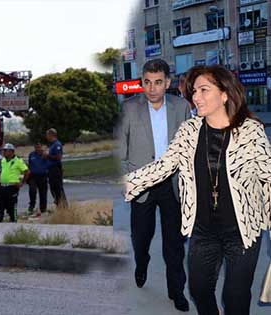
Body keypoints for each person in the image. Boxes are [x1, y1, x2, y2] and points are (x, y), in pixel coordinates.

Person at [124, 65, 271, 315]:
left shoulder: (250, 131)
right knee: (200, 290)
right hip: (203, 231)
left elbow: (268, 179)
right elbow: (164, 166)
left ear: (224, 94)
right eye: (194, 91)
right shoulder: (189, 131)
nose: (196, 96)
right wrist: (126, 183)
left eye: (204, 90)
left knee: (235, 298)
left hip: (242, 231)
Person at [116, 58, 191, 312]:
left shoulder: (181, 107)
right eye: (147, 82)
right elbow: (121, 149)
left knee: (174, 244)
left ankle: (176, 291)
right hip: (142, 185)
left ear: (167, 83)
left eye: (158, 82)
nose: (152, 88)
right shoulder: (129, 108)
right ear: (142, 83)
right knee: (141, 237)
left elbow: (189, 148)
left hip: (172, 185)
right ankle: (142, 262)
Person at [0, 143, 29, 222]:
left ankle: (13, 221)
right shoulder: (3, 160)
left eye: (5, 151)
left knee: (12, 207)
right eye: (3, 151)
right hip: (2, 186)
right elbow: (1, 171)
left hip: (12, 187)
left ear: (11, 152)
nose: (3, 152)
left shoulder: (18, 161)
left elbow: (27, 172)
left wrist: (22, 183)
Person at [43, 128, 68, 209]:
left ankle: (63, 206)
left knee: (58, 187)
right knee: (53, 188)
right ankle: (58, 204)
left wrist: (48, 156)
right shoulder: (51, 145)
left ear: (51, 135)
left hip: (55, 169)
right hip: (50, 169)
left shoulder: (57, 144)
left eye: (47, 135)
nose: (46, 137)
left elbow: (58, 157)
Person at [27, 142, 48, 217]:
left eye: (39, 147)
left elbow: (49, 162)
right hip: (33, 176)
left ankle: (43, 208)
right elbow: (29, 165)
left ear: (41, 147)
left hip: (42, 176)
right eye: (36, 147)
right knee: (32, 190)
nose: (37, 149)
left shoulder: (45, 154)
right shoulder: (31, 155)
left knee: (43, 192)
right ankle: (31, 206)